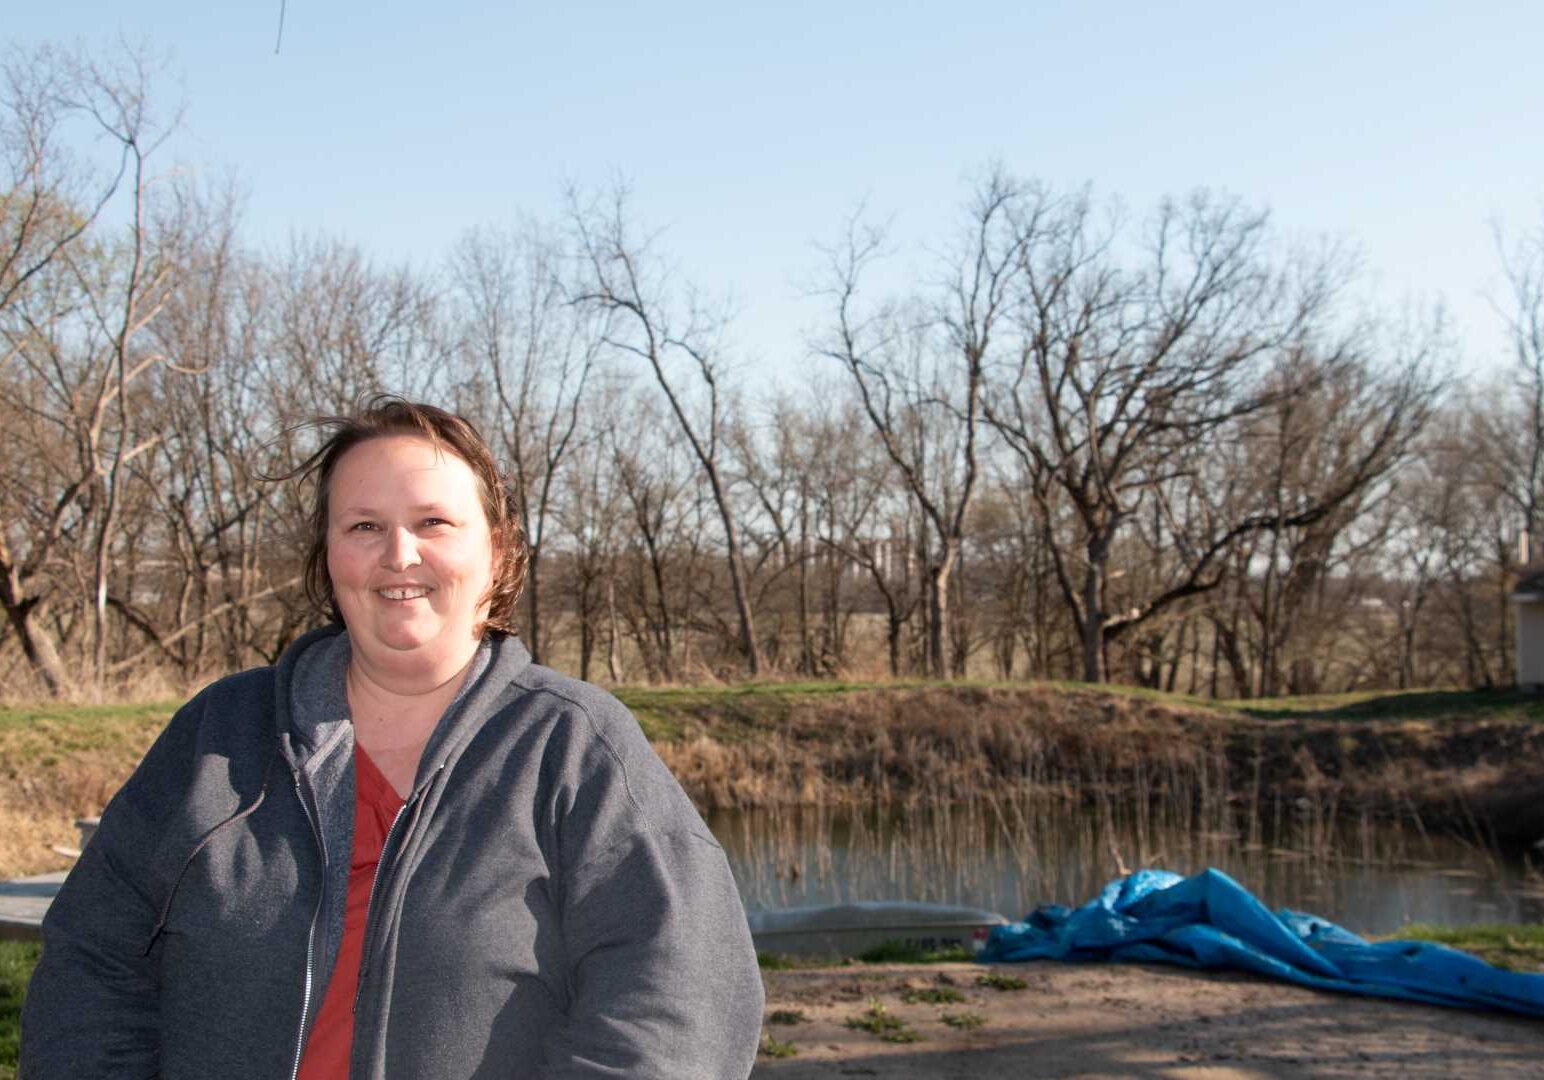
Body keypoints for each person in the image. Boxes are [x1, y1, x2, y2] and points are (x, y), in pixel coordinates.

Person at [21, 398, 764, 1079]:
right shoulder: (222, 736)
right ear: (329, 555)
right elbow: (91, 965)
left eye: (434, 523)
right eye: (364, 525)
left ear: (497, 554)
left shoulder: (574, 748)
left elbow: (676, 1005)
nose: (398, 554)